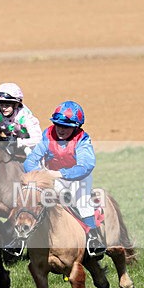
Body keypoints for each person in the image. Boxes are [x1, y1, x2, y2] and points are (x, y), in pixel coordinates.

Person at [23, 101, 106, 257]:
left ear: (76, 127)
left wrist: (60, 174)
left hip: (78, 178)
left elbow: (86, 166)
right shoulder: (47, 135)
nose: (60, 129)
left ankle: (93, 238)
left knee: (82, 202)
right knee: (30, 196)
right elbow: (30, 161)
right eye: (57, 124)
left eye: (66, 126)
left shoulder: (82, 140)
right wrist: (41, 174)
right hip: (51, 177)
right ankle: (19, 239)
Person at [0, 82, 41, 156]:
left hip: (29, 147)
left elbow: (38, 139)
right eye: (1, 105)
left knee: (29, 152)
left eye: (7, 105)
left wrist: (18, 142)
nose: (3, 108)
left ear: (16, 104)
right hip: (10, 145)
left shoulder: (26, 117)